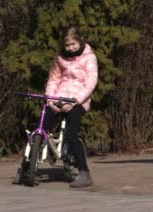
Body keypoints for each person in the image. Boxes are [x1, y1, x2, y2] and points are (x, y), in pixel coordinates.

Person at [44, 26, 98, 188]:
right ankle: (26, 167)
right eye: (67, 46)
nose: (70, 48)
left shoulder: (89, 57)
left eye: (73, 44)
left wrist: (76, 101)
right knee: (42, 124)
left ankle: (84, 173)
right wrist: (50, 100)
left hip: (78, 100)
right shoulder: (60, 58)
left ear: (80, 41)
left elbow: (91, 81)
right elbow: (53, 80)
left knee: (71, 133)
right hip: (58, 98)